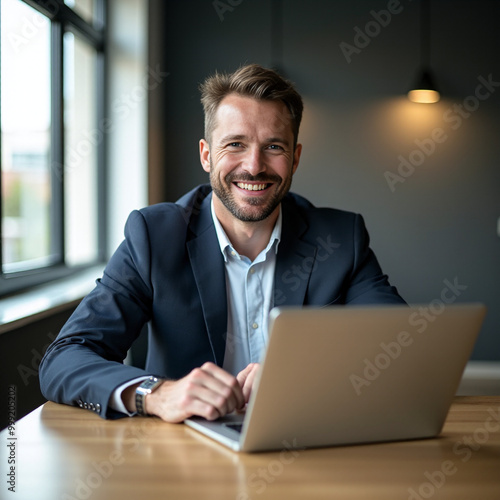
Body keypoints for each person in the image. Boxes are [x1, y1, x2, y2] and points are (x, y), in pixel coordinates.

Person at [39, 64, 405, 423]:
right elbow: (64, 359)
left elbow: (401, 346)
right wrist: (156, 394)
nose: (254, 165)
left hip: (306, 443)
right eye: (235, 144)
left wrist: (302, 375)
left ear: (294, 159)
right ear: (206, 154)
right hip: (183, 458)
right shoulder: (153, 236)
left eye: (273, 146)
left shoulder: (340, 239)